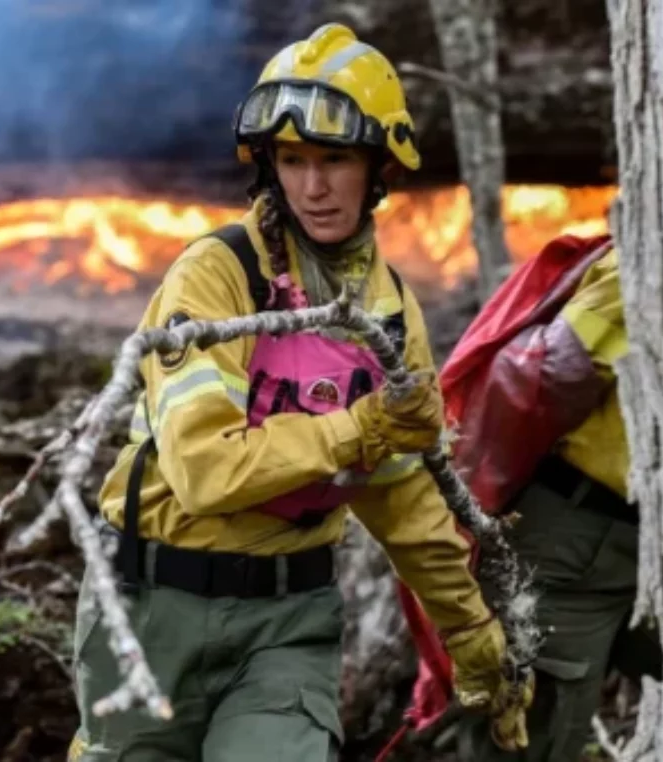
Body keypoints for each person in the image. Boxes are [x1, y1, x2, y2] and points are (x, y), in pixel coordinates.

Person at [67, 22, 532, 762]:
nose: (313, 186)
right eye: (293, 160)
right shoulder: (215, 278)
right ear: (269, 166)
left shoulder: (389, 314)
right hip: (153, 609)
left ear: (379, 166)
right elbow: (204, 471)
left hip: (288, 621)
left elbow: (405, 499)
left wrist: (473, 636)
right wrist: (363, 427)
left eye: (335, 159)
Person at [449, 240, 663, 760]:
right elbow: (547, 374)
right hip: (573, 540)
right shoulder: (650, 255)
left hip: (656, 550)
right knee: (529, 735)